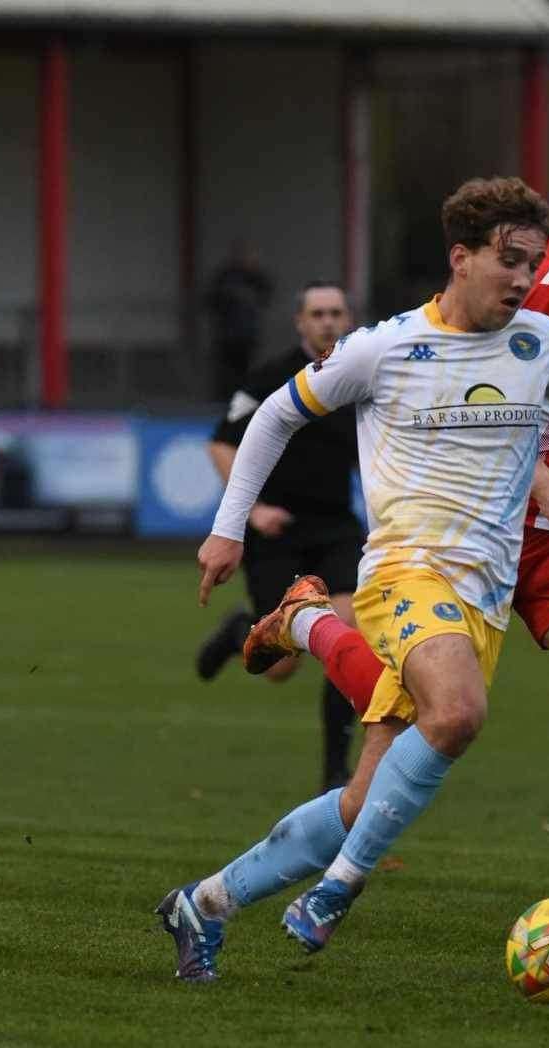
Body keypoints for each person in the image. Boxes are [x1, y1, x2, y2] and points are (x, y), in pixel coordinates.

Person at [228, 147, 549, 958]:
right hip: (475, 529)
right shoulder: (546, 279)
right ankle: (315, 626)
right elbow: (476, 410)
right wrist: (543, 487)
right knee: (385, 774)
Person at [154, 175, 549, 981]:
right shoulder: (387, 348)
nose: (523, 280)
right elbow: (276, 414)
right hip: (405, 573)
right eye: (509, 261)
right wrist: (226, 527)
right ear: (461, 257)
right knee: (457, 712)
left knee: (361, 802)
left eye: (531, 263)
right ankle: (334, 893)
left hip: (480, 596)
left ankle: (203, 904)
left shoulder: (538, 345)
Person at [195, 280, 362, 791]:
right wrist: (254, 511)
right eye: (318, 313)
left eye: (336, 312)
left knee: (349, 638)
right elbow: (221, 445)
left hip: (335, 526)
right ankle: (240, 628)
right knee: (280, 665)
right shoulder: (269, 376)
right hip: (278, 530)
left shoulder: (361, 376)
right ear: (300, 322)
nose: (328, 322)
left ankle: (335, 771)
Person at [204, 241, 275, 400]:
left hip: (247, 334)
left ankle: (239, 398)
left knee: (244, 369)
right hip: (226, 333)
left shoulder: (255, 278)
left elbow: (266, 295)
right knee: (225, 370)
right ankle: (222, 399)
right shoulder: (225, 277)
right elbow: (210, 301)